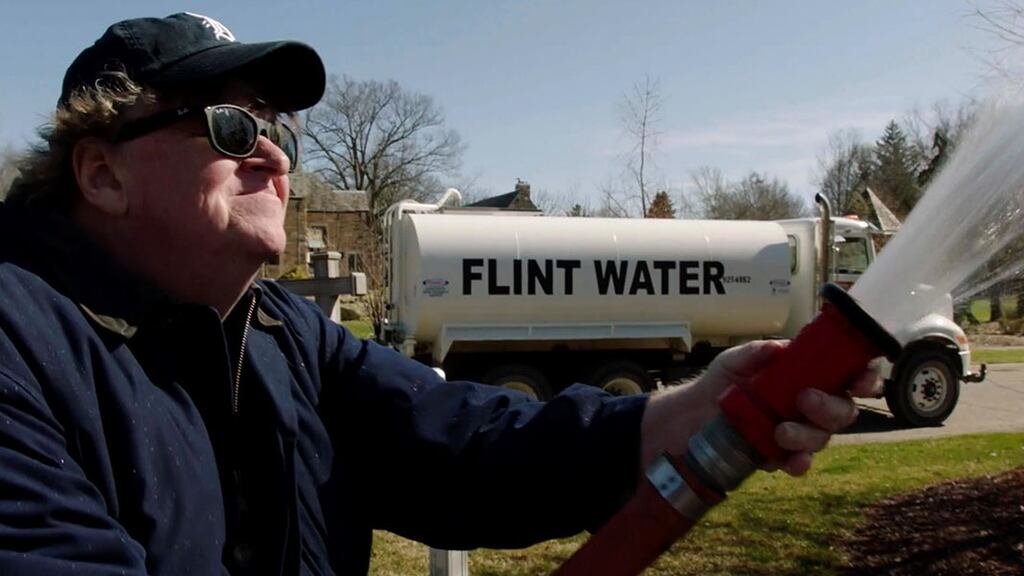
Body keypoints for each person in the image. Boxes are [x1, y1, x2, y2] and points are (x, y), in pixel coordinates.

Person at [0, 12, 877, 576]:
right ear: (101, 172)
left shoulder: (282, 335)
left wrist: (682, 412)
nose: (270, 155)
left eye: (278, 132)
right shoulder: (19, 344)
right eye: (231, 127)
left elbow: (467, 444)